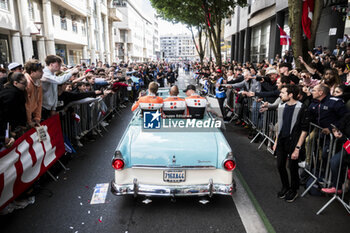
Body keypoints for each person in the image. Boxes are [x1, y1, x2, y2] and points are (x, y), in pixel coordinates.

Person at [273, 85, 309, 203]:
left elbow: (304, 130)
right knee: (280, 165)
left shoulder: (302, 107)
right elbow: (279, 126)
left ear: (290, 95)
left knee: (292, 167)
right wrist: (276, 141)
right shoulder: (281, 106)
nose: (280, 95)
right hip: (282, 141)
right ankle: (285, 187)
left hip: (294, 142)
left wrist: (297, 148)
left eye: (283, 93)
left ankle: (293, 190)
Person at [41, 55, 79, 119]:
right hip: (43, 107)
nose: (60, 66)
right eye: (58, 64)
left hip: (49, 107)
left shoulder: (52, 74)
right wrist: (71, 72)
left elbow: (54, 92)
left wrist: (53, 108)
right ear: (51, 64)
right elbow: (59, 80)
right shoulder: (44, 73)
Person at [0, 72, 28, 138]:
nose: (26, 86)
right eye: (24, 84)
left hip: (16, 125)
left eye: (26, 83)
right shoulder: (11, 95)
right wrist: (9, 132)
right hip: (9, 127)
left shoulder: (19, 91)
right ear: (15, 83)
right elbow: (6, 114)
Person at [24, 59, 43, 128]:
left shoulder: (39, 83)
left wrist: (37, 117)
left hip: (32, 116)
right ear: (32, 72)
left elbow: (39, 101)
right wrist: (29, 121)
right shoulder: (27, 83)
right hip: (25, 117)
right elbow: (27, 104)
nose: (42, 73)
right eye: (40, 71)